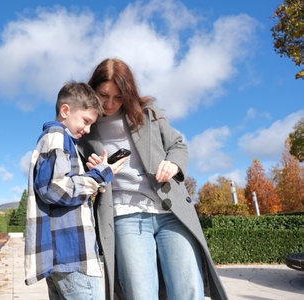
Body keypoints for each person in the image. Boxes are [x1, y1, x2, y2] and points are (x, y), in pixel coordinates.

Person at [78, 58, 228, 300]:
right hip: (124, 214)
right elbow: (81, 176)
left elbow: (178, 145)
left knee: (189, 290)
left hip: (170, 213)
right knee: (140, 293)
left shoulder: (147, 114)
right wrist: (95, 173)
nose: (109, 103)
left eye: (118, 97)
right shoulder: (85, 128)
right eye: (103, 94)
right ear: (92, 89)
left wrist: (174, 164)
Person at [24, 81, 128, 300]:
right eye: (86, 121)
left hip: (63, 258)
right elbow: (54, 188)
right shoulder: (57, 136)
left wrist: (94, 181)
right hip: (72, 255)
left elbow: (61, 190)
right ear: (65, 111)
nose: (88, 129)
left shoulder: (60, 141)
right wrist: (101, 174)